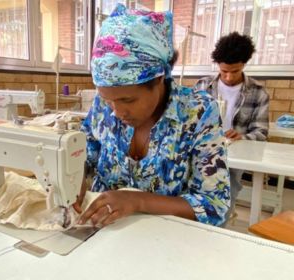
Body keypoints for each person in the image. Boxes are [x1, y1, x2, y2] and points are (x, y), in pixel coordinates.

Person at [74, 4, 230, 227]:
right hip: (102, 229)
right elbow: (84, 152)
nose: (116, 112)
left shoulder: (198, 112)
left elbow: (214, 206)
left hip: (165, 240)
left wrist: (137, 200)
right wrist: (75, 175)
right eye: (109, 100)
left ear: (159, 79)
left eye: (128, 100)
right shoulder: (102, 106)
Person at [194, 32, 269, 221]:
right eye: (223, 71)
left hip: (234, 157)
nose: (228, 77)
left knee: (224, 200)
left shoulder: (258, 92)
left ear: (244, 64)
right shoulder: (203, 86)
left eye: (234, 71)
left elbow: (261, 132)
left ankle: (221, 225)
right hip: (202, 152)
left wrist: (241, 137)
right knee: (196, 198)